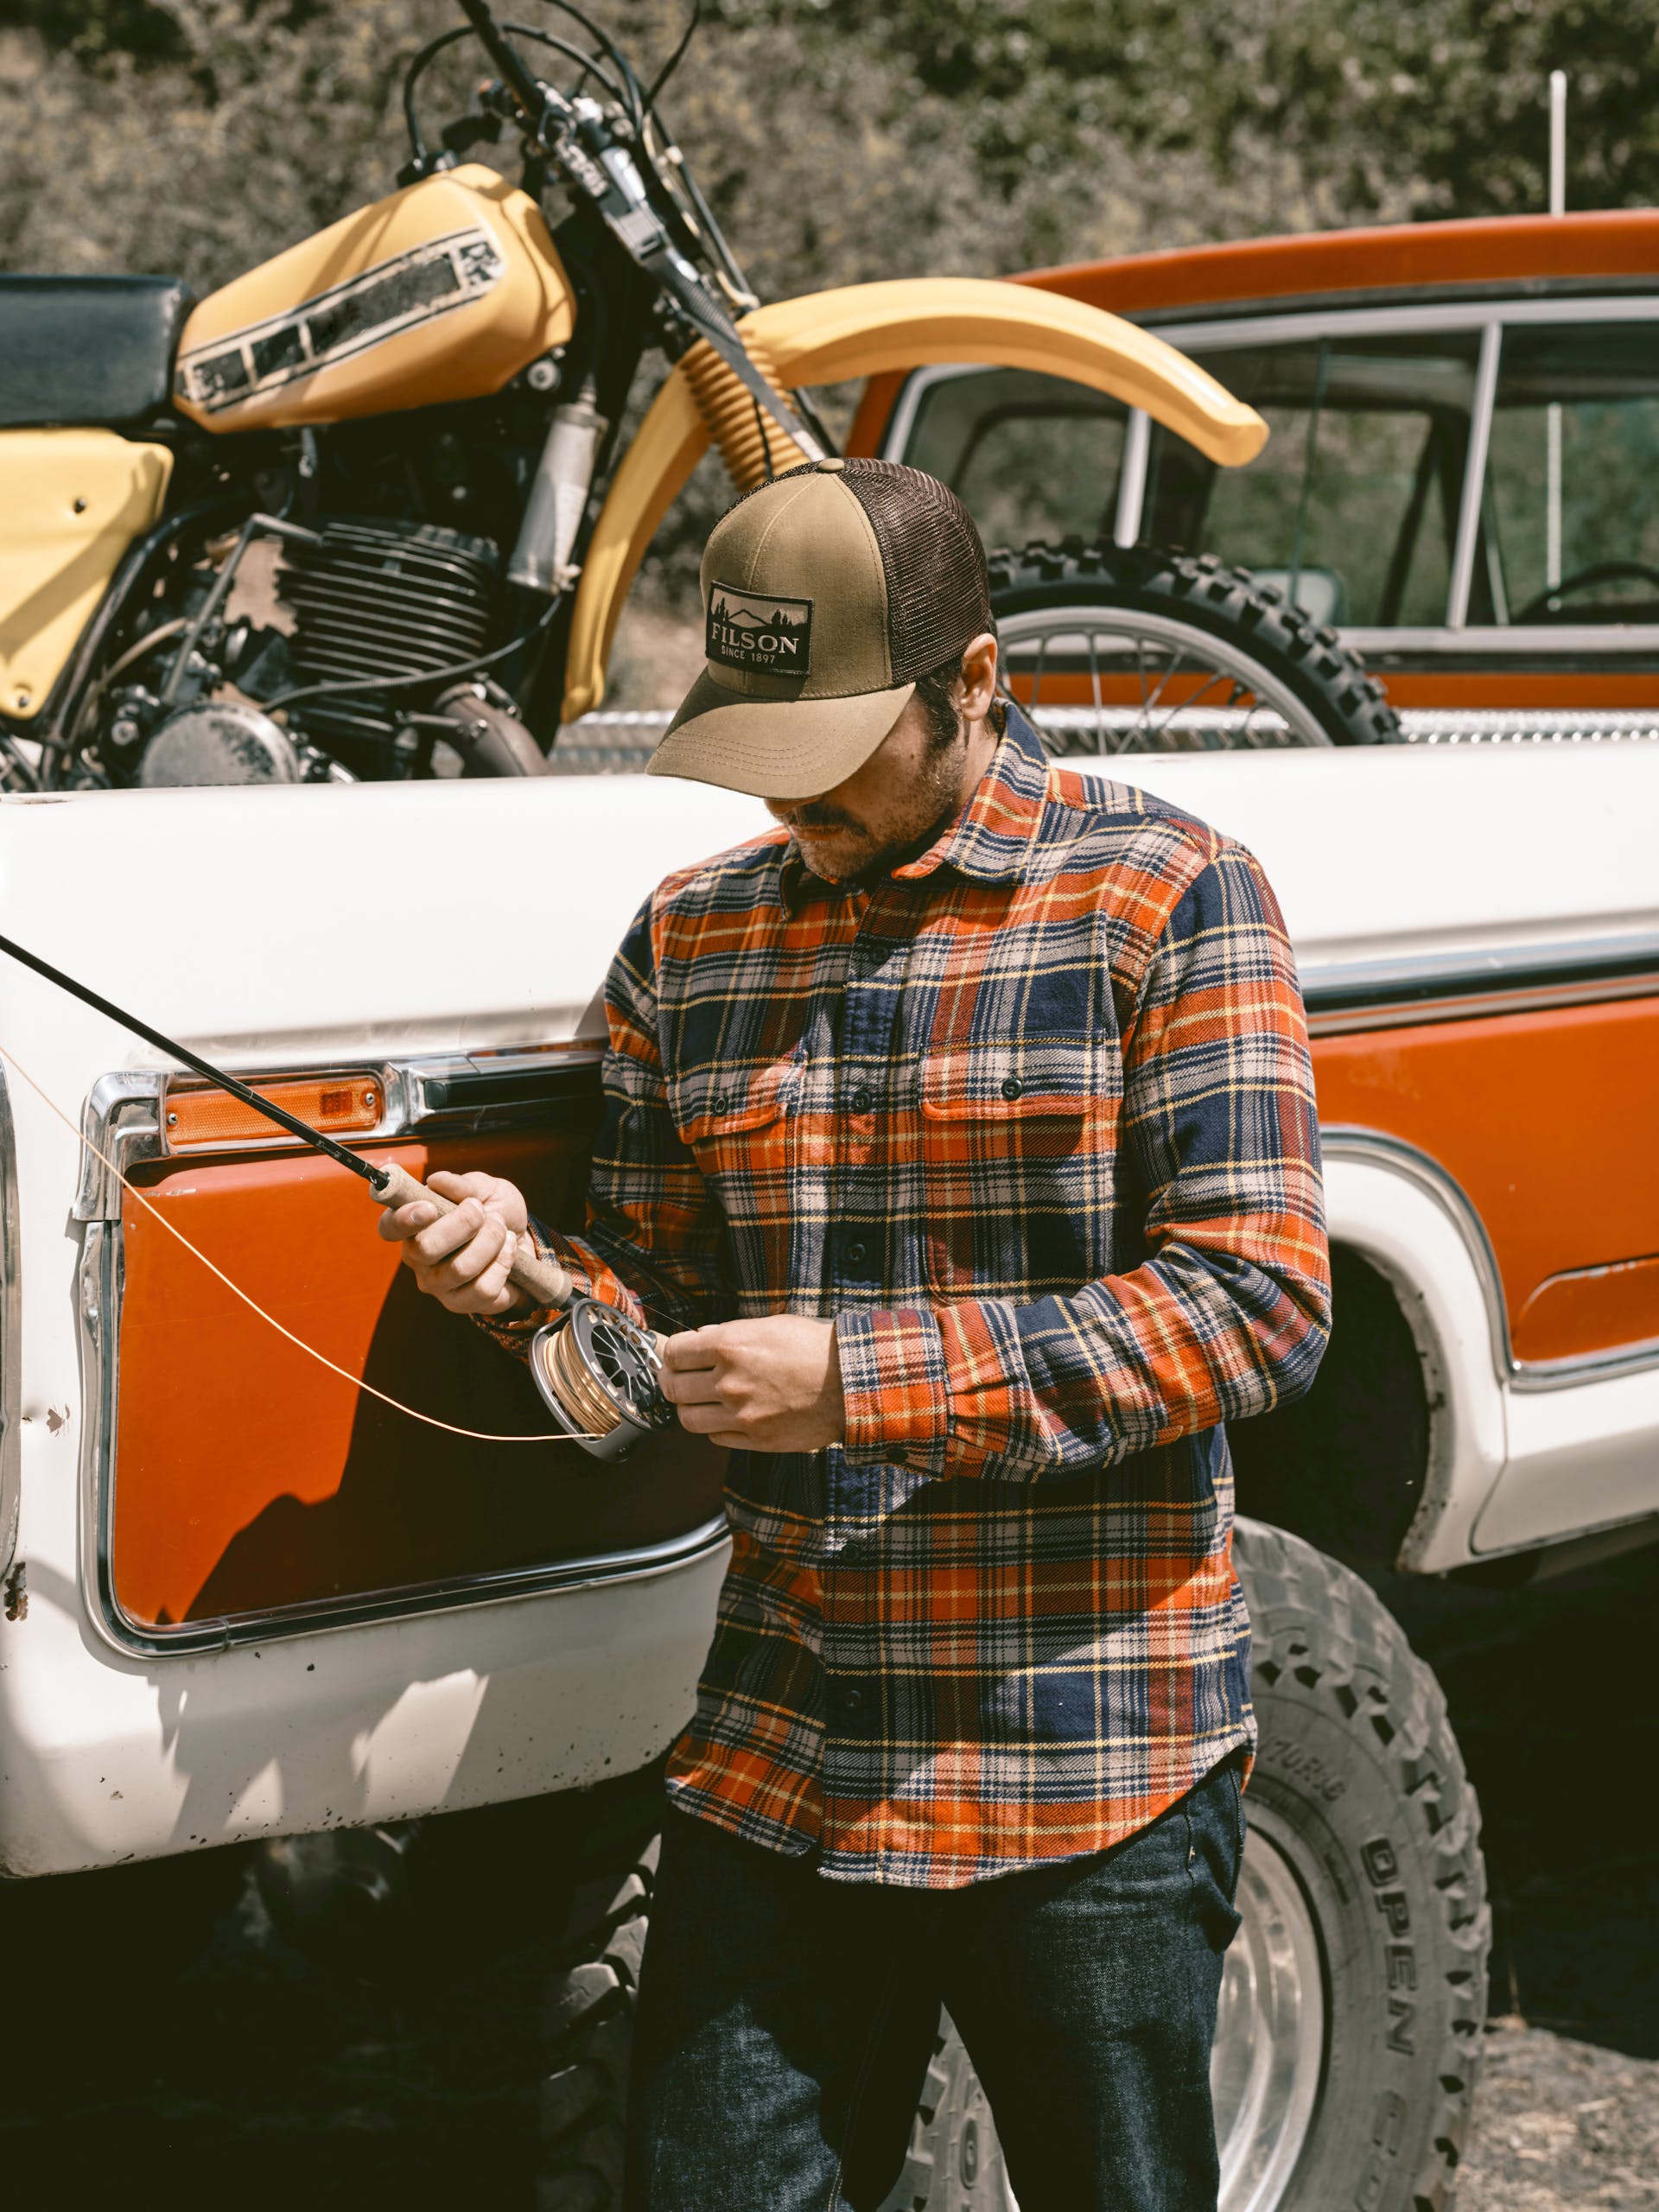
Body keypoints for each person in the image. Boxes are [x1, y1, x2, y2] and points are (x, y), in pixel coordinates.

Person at [381, 459, 1332, 2211]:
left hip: (1091, 1763)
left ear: (973, 681)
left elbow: (1260, 1301)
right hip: (780, 1756)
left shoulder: (1171, 895)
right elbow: (639, 1331)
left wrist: (859, 1381)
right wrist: (523, 1280)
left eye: (828, 745)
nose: (788, 797)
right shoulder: (693, 934)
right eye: (759, 743)